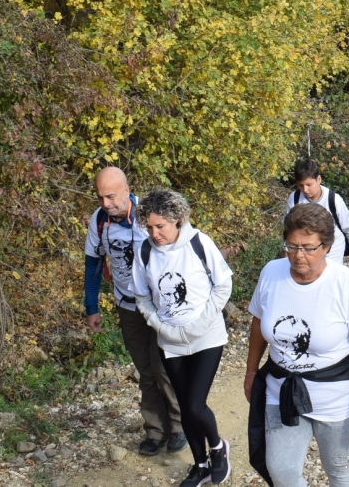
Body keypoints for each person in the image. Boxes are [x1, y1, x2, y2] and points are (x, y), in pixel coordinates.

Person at [244, 203, 349, 487]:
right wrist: (251, 373)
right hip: (282, 391)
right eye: (292, 246)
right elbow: (258, 325)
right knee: (281, 472)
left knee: (339, 470)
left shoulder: (345, 284)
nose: (299, 256)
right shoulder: (271, 274)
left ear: (326, 247)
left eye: (309, 248)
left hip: (336, 400)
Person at [133, 188, 233, 487]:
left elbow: (223, 285)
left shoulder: (200, 243)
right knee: (185, 405)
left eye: (160, 226)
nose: (154, 233)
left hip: (206, 337)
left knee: (193, 404)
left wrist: (202, 323)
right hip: (170, 340)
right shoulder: (146, 251)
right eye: (149, 227)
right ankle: (200, 465)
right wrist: (159, 326)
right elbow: (142, 297)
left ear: (177, 220)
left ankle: (217, 449)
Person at [83, 168, 186, 457]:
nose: (105, 203)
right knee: (145, 370)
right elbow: (92, 264)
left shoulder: (149, 217)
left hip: (160, 307)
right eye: (101, 196)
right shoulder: (99, 220)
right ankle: (155, 430)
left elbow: (179, 257)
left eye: (111, 196)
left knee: (165, 367)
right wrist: (91, 307)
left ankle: (180, 425)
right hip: (127, 306)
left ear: (127, 190)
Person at [285, 159, 349, 264]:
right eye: (301, 186)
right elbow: (288, 229)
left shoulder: (333, 199)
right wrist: (286, 256)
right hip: (304, 247)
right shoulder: (294, 198)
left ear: (319, 179)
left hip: (333, 248)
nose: (305, 190)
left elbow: (348, 226)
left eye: (309, 185)